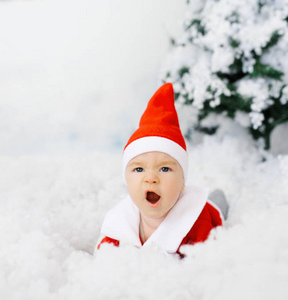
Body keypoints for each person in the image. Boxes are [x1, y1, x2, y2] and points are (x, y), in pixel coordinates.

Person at [96, 83, 227, 257]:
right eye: (139, 169)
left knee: (218, 204)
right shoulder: (122, 218)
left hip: (209, 211)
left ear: (182, 182)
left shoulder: (196, 220)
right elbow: (104, 252)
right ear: (126, 180)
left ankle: (220, 199)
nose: (150, 178)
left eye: (165, 168)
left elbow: (205, 261)